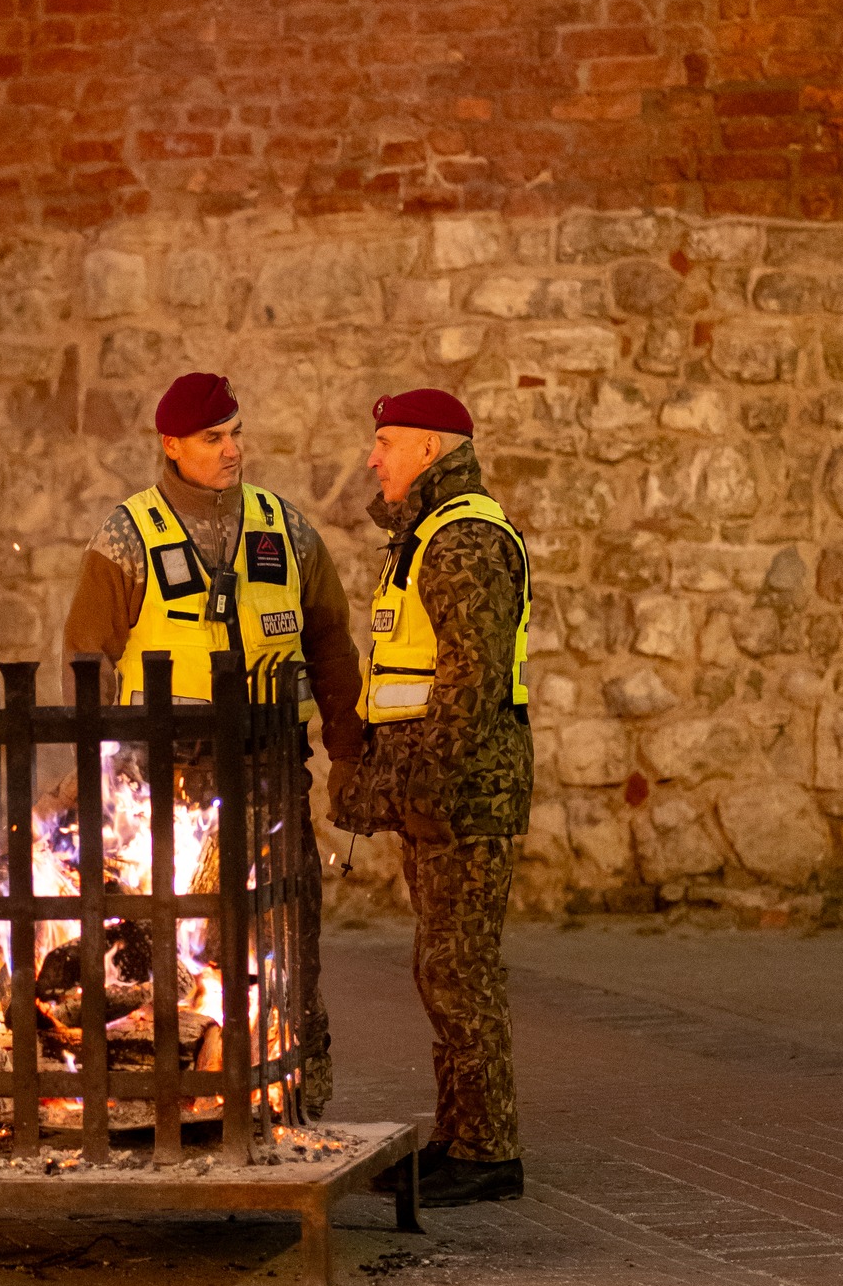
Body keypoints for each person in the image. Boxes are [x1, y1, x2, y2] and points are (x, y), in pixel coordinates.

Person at [64, 370, 363, 1114]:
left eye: (236, 433)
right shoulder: (127, 536)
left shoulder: (287, 530)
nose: (231, 450)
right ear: (171, 445)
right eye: (212, 438)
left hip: (271, 767)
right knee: (171, 941)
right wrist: (89, 770)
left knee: (288, 933)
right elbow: (87, 659)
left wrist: (349, 748)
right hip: (166, 779)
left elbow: (331, 644)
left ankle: (295, 1092)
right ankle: (177, 1096)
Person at [330, 387, 533, 1207]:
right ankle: (461, 1138)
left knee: (461, 971)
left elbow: (469, 689)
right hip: (438, 797)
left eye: (386, 443)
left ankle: (487, 1153)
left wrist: (422, 791)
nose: (373, 458)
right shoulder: (424, 539)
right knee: (442, 968)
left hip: (461, 799)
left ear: (430, 449)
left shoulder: (465, 542)